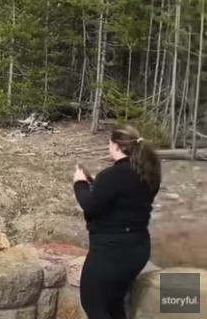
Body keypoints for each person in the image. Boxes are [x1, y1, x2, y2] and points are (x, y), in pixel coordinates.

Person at [72, 124, 161, 319]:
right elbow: (123, 197)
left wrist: (79, 183)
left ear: (116, 146)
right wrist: (97, 184)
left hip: (111, 252)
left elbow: (90, 205)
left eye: (109, 143)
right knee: (113, 304)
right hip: (138, 248)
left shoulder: (112, 176)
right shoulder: (147, 172)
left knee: (93, 304)